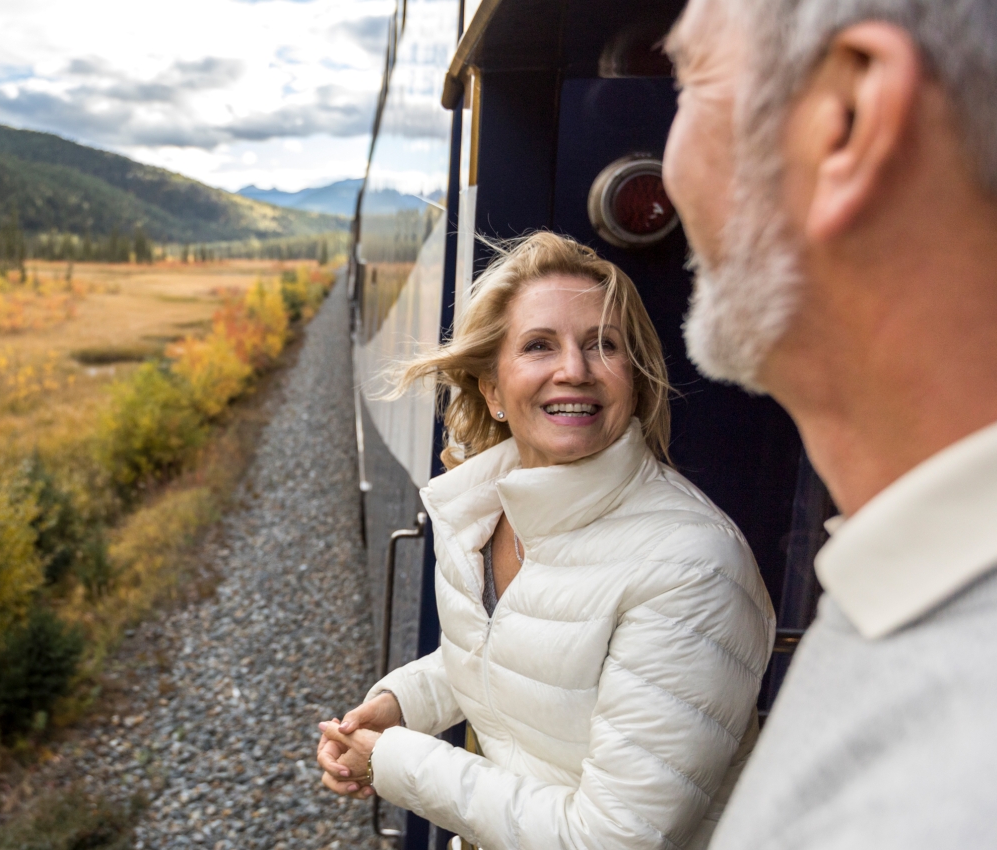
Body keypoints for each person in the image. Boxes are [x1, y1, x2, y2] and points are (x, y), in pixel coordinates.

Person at [661, 0, 997, 846]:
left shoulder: (939, 801)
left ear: (845, 120)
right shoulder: (910, 599)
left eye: (690, 78)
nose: (670, 170)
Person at [316, 232, 775, 849]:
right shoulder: (480, 512)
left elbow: (613, 839)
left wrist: (393, 762)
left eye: (602, 346)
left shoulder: (691, 564)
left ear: (633, 382)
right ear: (493, 390)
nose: (574, 370)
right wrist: (403, 703)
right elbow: (521, 656)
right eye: (539, 346)